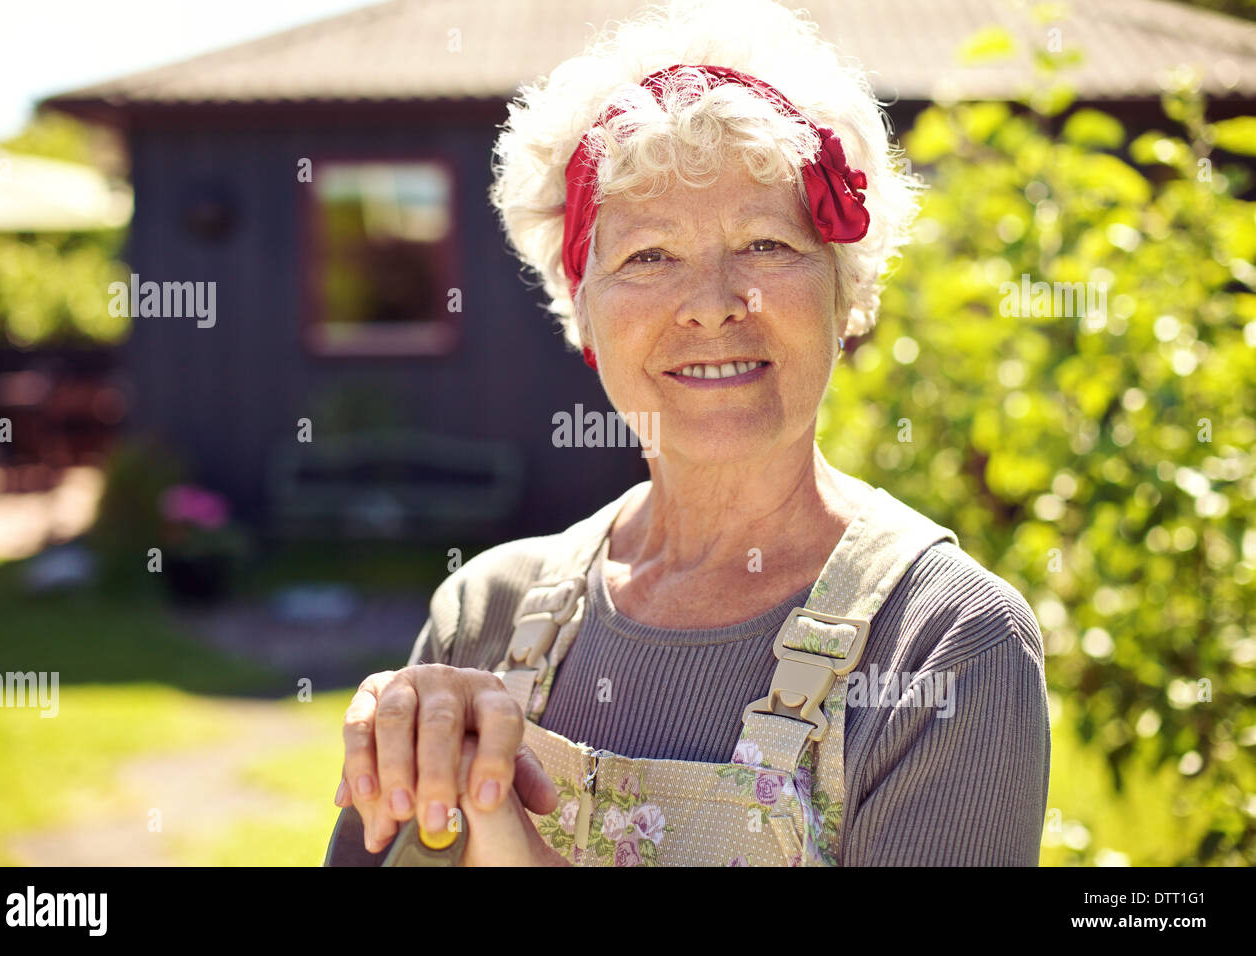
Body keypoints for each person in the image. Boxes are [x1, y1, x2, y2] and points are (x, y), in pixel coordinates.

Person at [327, 0, 1050, 867]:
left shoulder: (947, 642)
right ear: (585, 311)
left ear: (844, 294)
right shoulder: (484, 613)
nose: (711, 304)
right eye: (649, 257)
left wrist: (510, 840)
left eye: (765, 245)